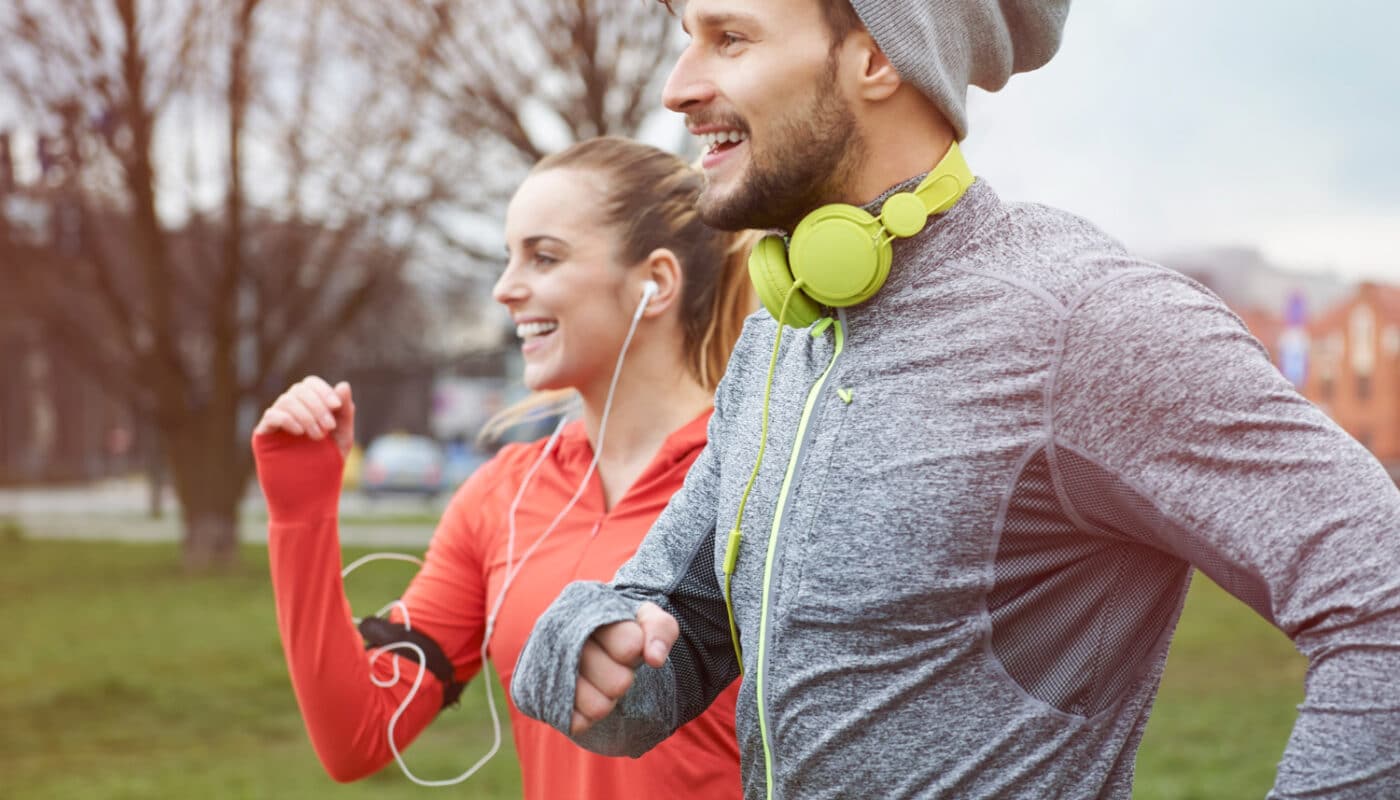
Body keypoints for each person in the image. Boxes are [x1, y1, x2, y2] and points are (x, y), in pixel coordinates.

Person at [509, 2, 1400, 798]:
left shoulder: (1084, 321)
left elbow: (1381, 596)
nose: (677, 87)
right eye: (684, 40)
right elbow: (677, 632)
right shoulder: (781, 337)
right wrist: (592, 645)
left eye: (728, 38)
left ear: (876, 56)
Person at [251, 137, 758, 799]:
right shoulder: (503, 496)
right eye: (508, 257)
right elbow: (358, 735)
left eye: (543, 257)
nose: (504, 290)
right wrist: (300, 513)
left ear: (654, 283)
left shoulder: (761, 479)